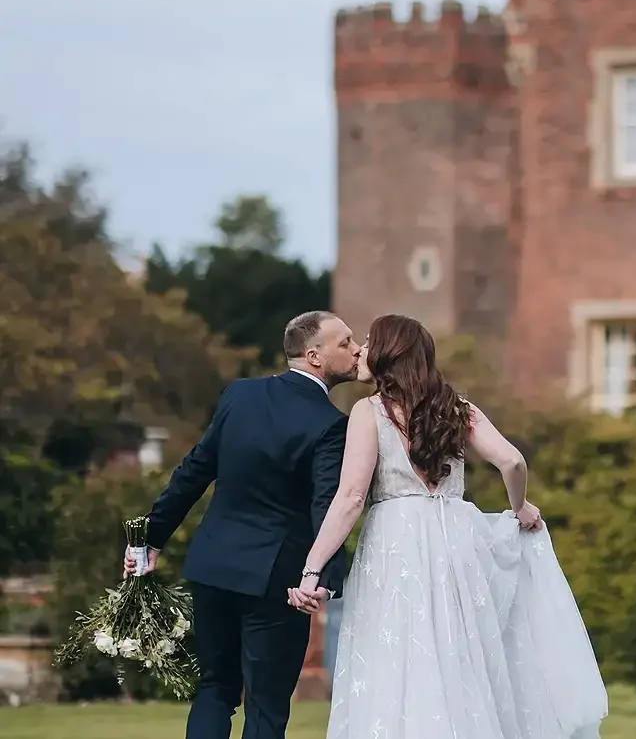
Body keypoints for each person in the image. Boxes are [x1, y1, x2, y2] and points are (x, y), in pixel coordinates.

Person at [288, 313, 606, 739]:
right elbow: (511, 461)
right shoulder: (458, 408)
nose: (361, 348)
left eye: (368, 341)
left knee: (398, 653)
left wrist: (312, 567)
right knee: (459, 651)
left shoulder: (370, 412)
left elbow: (350, 499)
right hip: (457, 536)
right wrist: (521, 505)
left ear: (388, 354)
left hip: (395, 539)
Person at [126, 311, 360, 739]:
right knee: (267, 707)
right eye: (345, 342)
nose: (357, 348)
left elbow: (194, 470)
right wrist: (322, 577)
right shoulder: (331, 425)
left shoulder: (240, 394)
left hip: (212, 566)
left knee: (215, 688)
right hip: (276, 582)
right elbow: (327, 506)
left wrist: (150, 539)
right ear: (314, 355)